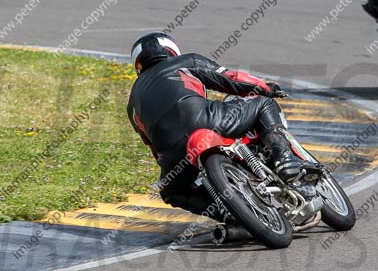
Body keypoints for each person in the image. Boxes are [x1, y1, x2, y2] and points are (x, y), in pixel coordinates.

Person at [127, 32, 304, 220]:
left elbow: (151, 146)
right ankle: (284, 159)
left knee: (171, 192)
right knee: (263, 104)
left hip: (172, 153)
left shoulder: (131, 104)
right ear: (171, 50)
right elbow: (232, 79)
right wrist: (267, 89)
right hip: (209, 121)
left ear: (137, 63)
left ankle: (228, 216)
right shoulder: (186, 61)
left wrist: (170, 161)